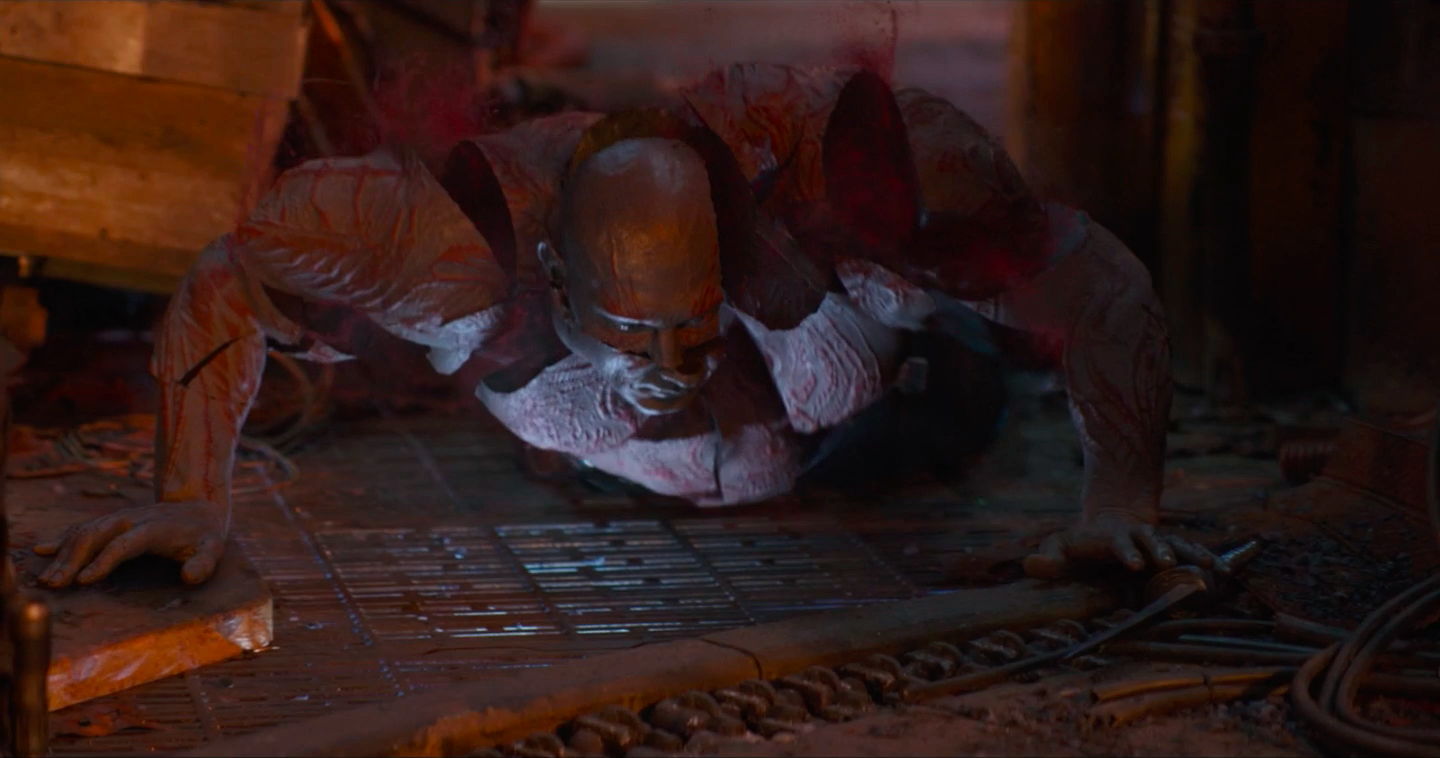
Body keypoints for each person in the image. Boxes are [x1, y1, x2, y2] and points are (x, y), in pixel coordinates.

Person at [34, 62, 1212, 589]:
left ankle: (894, 377)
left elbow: (1097, 282)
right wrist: (191, 492)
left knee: (900, 355)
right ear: (554, 271)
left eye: (687, 326)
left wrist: (1121, 501)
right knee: (619, 403)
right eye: (635, 332)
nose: (670, 362)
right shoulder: (443, 245)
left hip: (891, 399)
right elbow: (231, 275)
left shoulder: (836, 171)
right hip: (611, 429)